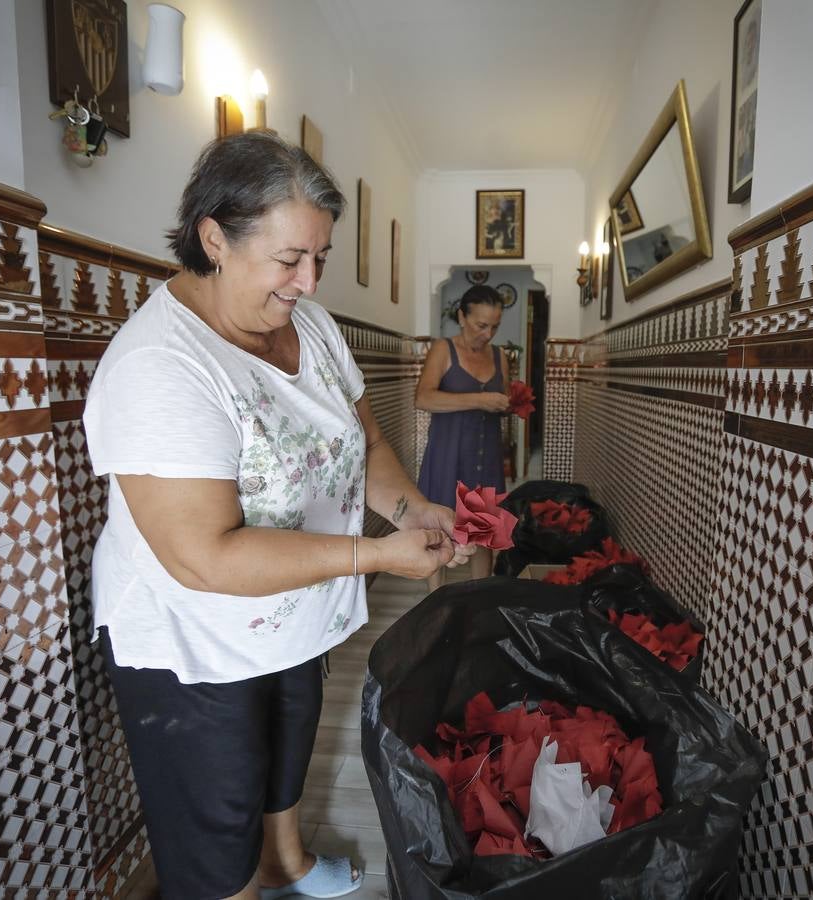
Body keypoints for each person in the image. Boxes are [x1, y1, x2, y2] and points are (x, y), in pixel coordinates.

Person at [83, 131, 473, 900]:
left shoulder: (312, 328)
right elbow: (208, 558)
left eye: (320, 258)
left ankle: (284, 860)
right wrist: (377, 555)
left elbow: (365, 441)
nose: (308, 280)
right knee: (217, 810)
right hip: (192, 638)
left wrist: (411, 510)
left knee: (287, 742)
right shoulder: (160, 367)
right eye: (290, 258)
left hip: (290, 607)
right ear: (214, 239)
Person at [415, 285, 510, 590]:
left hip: (485, 458)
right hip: (446, 457)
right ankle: (435, 606)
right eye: (482, 325)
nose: (488, 333)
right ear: (462, 316)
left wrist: (508, 404)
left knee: (483, 537)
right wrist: (480, 400)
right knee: (437, 536)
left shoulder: (499, 356)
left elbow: (501, 400)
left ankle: (477, 600)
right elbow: (424, 398)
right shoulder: (444, 349)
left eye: (495, 326)